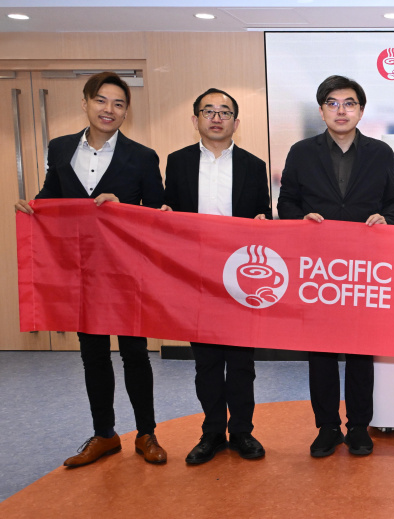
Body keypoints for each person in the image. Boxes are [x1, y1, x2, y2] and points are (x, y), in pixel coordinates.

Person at [13, 71, 166, 467]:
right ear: (86, 103)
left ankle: (147, 433)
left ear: (126, 112)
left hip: (127, 272)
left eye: (118, 103)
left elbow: (160, 214)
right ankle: (104, 434)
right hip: (80, 271)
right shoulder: (60, 148)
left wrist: (124, 209)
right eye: (101, 100)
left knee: (134, 354)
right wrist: (33, 208)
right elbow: (52, 196)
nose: (109, 110)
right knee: (93, 355)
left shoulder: (143, 156)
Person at [277, 75, 394, 457]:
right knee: (321, 352)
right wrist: (302, 219)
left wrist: (385, 219)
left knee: (362, 351)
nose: (341, 110)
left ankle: (359, 427)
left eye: (349, 103)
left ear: (361, 110)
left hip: (365, 270)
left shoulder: (381, 153)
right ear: (321, 110)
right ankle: (328, 427)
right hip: (320, 269)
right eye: (332, 103)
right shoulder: (301, 152)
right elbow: (286, 204)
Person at [161, 88, 271, 464]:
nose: (217, 117)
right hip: (195, 276)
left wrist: (263, 222)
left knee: (241, 362)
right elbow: (169, 213)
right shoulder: (176, 163)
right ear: (196, 120)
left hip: (241, 278)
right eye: (208, 111)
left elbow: (264, 216)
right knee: (206, 362)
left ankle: (242, 432)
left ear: (236, 122)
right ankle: (211, 433)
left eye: (225, 111)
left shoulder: (255, 166)